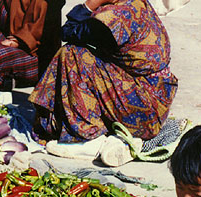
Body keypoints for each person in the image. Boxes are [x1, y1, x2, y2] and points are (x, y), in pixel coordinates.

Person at [28, 0, 178, 151]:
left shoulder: (114, 17)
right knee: (87, 57)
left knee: (72, 54)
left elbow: (67, 31)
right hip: (157, 101)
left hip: (144, 110)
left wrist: (90, 5)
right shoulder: (136, 3)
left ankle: (86, 136)